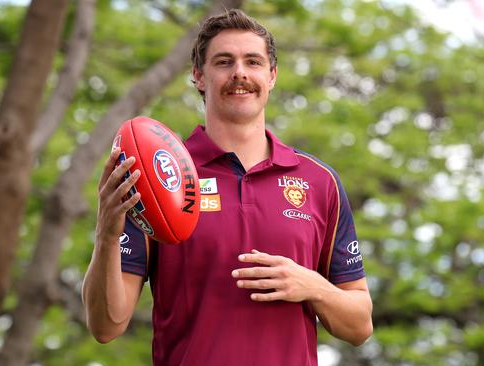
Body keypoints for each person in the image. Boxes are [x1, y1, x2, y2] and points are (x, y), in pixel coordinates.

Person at [82, 9, 373, 366]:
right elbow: (106, 326)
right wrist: (106, 235)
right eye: (224, 61)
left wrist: (312, 285)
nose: (240, 73)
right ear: (199, 76)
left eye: (253, 61)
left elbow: (360, 325)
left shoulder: (318, 181)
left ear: (272, 76)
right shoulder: (157, 178)